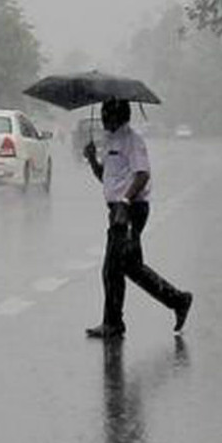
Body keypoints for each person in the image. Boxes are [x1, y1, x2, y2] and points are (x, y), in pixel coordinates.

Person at [82, 99, 193, 339]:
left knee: (112, 268)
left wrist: (124, 202)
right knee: (131, 267)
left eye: (106, 113)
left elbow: (142, 175)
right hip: (118, 210)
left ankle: (113, 323)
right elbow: (109, 179)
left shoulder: (133, 141)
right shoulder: (112, 141)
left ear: (119, 115)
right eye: (102, 112)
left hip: (130, 211)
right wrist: (92, 160)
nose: (102, 117)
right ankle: (178, 300)